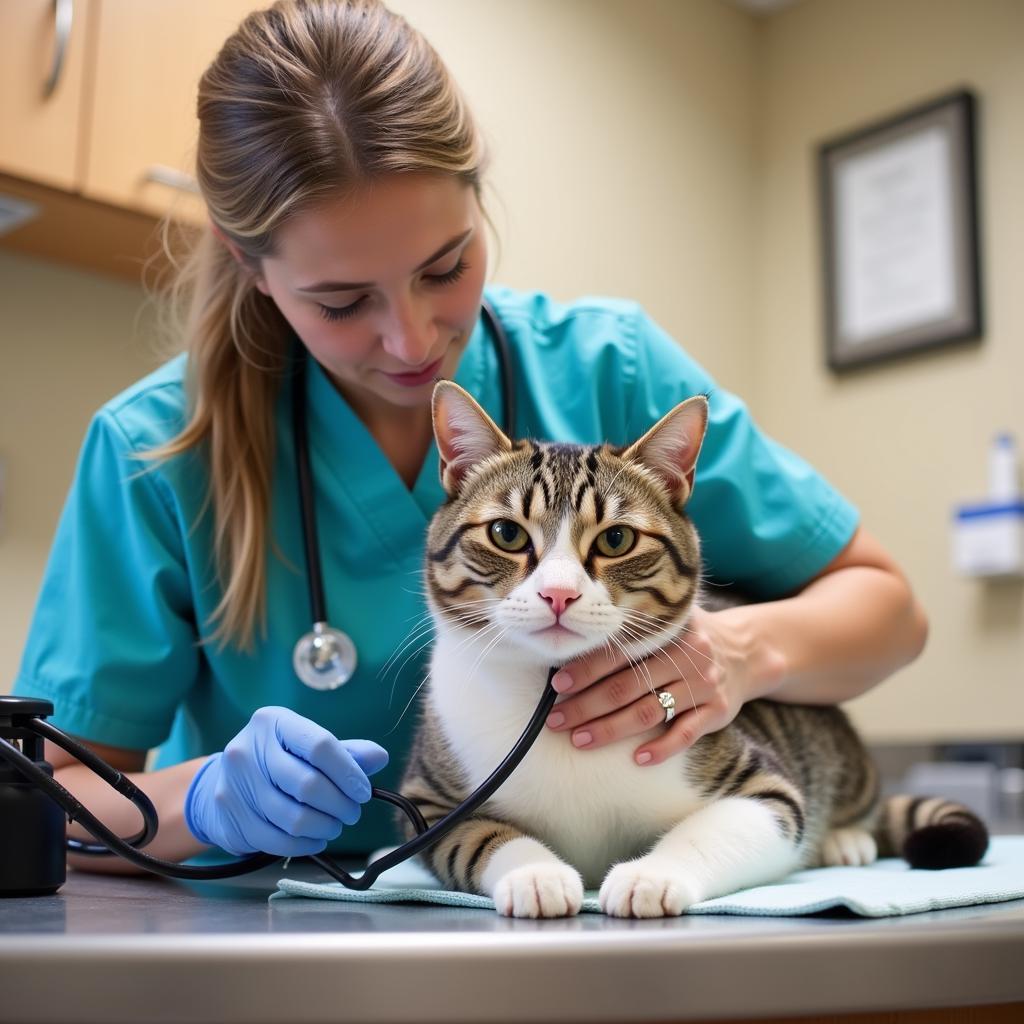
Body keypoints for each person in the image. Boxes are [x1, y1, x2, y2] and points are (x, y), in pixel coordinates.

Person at [13, 0, 927, 873]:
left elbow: (889, 614)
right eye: (340, 303)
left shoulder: (610, 368)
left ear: (479, 197)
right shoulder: (155, 452)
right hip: (269, 926)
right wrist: (201, 801)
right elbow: (47, 803)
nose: (412, 340)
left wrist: (740, 651)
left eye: (446, 267)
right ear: (248, 262)